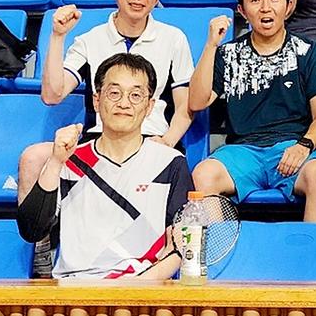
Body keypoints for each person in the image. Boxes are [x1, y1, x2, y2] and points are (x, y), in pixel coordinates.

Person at [18, 0, 194, 191]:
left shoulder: (174, 39)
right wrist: (57, 36)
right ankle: (45, 220)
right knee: (33, 158)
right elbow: (52, 95)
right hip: (99, 143)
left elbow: (185, 107)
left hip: (150, 141)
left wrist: (167, 141)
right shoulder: (89, 40)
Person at [188, 0, 316, 236]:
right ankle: (225, 254)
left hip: (292, 146)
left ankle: (315, 261)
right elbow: (197, 102)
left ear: (288, 6)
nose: (266, 8)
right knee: (203, 174)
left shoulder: (308, 52)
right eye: (255, 0)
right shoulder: (228, 53)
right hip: (242, 151)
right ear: (242, 10)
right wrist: (211, 46)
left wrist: (304, 145)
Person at [16, 53, 194, 279]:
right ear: (96, 100)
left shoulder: (169, 163)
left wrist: (139, 285)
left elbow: (181, 245)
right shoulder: (70, 159)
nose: (124, 103)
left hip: (142, 287)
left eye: (136, 95)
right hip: (74, 287)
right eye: (114, 93)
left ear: (149, 106)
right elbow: (32, 230)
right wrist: (55, 161)